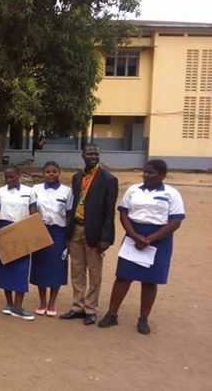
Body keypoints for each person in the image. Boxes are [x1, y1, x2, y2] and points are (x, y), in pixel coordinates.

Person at [98, 159, 185, 335]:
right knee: (123, 276)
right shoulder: (133, 189)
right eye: (144, 171)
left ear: (161, 175)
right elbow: (123, 213)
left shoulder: (171, 193)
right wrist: (135, 236)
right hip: (133, 235)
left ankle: (143, 318)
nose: (145, 175)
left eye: (150, 172)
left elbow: (175, 221)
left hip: (159, 239)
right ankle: (112, 314)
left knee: (150, 281)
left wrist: (150, 239)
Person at [60, 143, 118, 326]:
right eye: (89, 153)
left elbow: (110, 211)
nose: (93, 156)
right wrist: (69, 234)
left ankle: (91, 309)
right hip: (76, 228)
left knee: (94, 272)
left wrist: (106, 238)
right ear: (82, 155)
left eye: (96, 154)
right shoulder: (77, 178)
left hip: (95, 231)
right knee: (77, 270)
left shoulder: (109, 179)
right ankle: (78, 306)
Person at [29, 161, 73, 317]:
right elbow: (32, 210)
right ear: (43, 173)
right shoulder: (35, 190)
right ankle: (42, 302)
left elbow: (69, 215)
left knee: (57, 267)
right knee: (40, 266)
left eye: (54, 171)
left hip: (59, 232)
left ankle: (52, 303)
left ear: (59, 172)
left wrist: (68, 238)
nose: (51, 174)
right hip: (40, 230)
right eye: (47, 171)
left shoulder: (67, 191)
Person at [0, 167, 36, 321]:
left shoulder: (29, 192)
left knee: (21, 269)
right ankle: (9, 304)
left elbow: (34, 213)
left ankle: (18, 306)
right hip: (3, 229)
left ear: (19, 175)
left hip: (22, 230)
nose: (9, 179)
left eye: (12, 176)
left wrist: (34, 233)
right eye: (6, 177)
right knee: (5, 267)